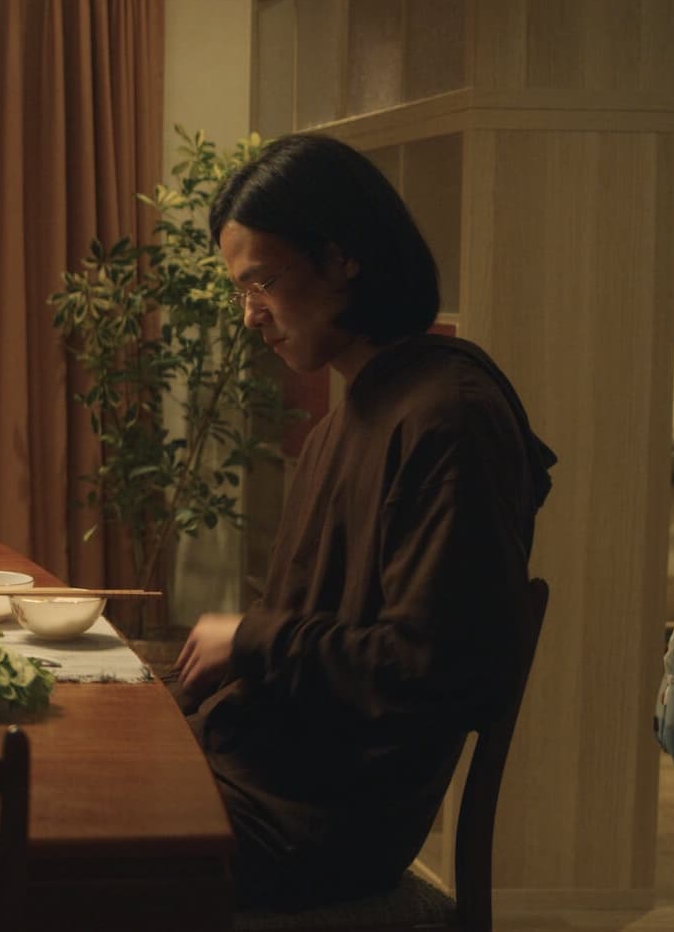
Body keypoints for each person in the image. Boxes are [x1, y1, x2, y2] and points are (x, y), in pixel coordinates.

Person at [173, 133, 557, 910]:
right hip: (263, 776)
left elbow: (433, 666)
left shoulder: (447, 418)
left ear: (341, 256)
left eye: (261, 283)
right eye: (240, 291)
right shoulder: (347, 422)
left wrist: (250, 638)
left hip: (313, 822)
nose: (250, 316)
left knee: (36, 844)